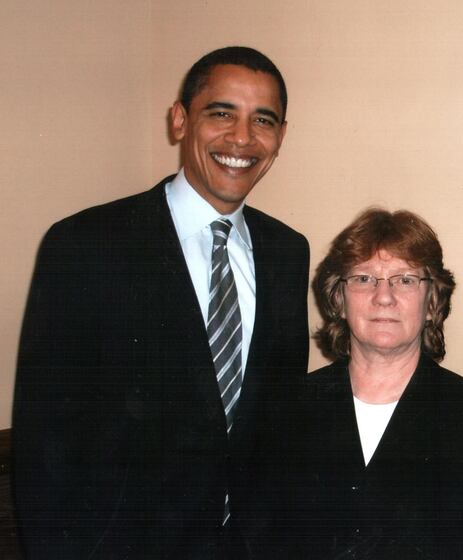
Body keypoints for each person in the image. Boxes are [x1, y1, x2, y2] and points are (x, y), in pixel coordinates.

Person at [12, 46, 309, 558]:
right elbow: (45, 445)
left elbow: (276, 423)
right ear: (179, 120)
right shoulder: (85, 244)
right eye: (221, 113)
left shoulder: (289, 251)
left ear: (281, 136)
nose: (242, 138)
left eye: (263, 119)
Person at [285, 208, 463, 559]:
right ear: (338, 299)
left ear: (432, 302)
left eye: (405, 280)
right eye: (363, 279)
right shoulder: (284, 411)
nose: (383, 296)